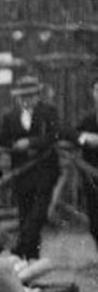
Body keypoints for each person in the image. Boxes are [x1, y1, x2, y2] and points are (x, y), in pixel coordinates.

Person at [0, 75, 61, 261]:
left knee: (38, 215)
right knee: (25, 215)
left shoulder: (48, 112)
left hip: (45, 171)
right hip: (22, 173)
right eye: (23, 96)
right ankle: (30, 259)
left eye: (30, 96)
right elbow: (0, 138)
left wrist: (31, 142)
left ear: (38, 95)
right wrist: (15, 144)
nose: (26, 100)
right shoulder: (10, 116)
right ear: (17, 97)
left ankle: (19, 248)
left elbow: (55, 135)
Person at [70, 76, 98, 252]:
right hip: (93, 176)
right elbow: (70, 133)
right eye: (97, 90)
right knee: (95, 221)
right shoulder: (88, 119)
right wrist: (84, 138)